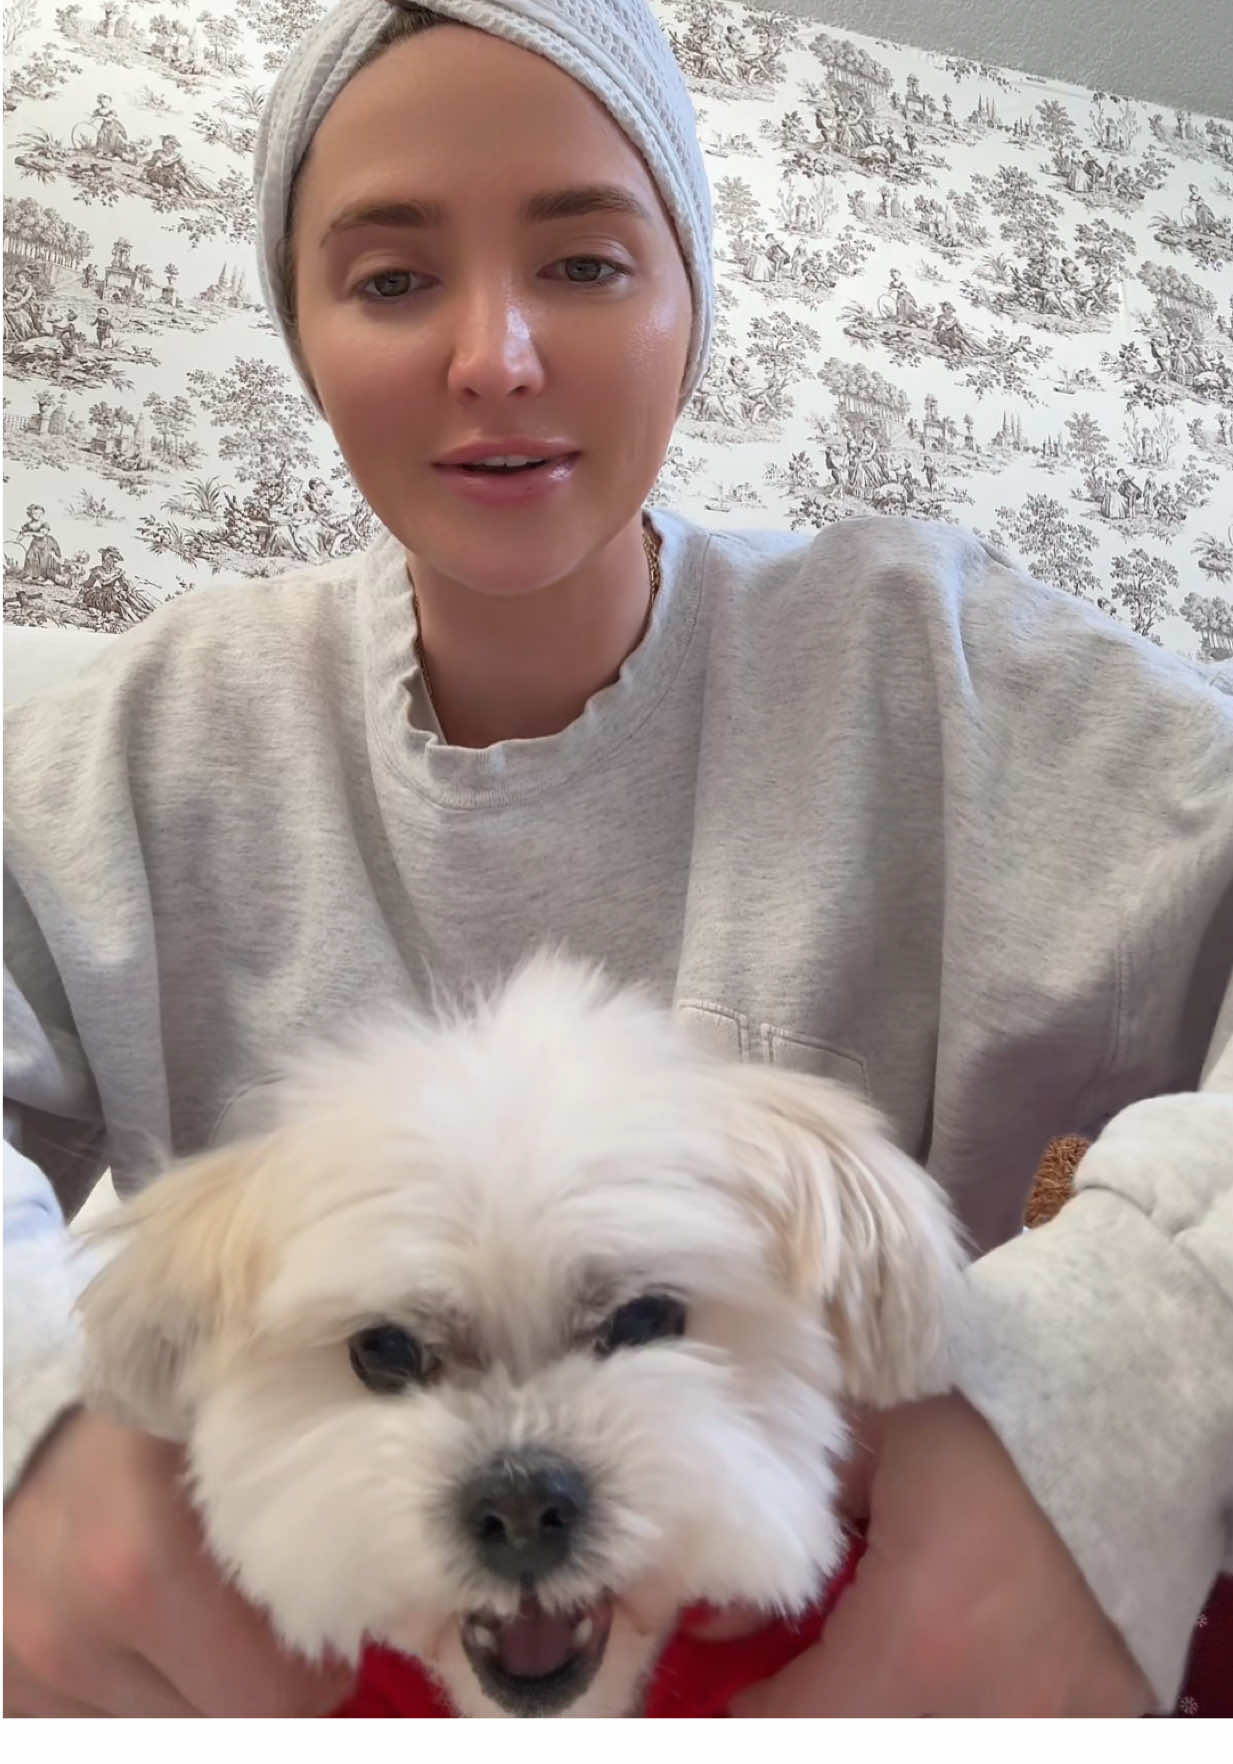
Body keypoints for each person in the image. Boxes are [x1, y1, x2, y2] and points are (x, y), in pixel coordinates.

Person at [3, 0, 1231, 1723]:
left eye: (583, 263)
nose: (494, 357)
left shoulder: (951, 673)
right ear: (300, 332)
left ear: (690, 299)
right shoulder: (127, 742)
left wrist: (1139, 1354)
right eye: (390, 278)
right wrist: (27, 1408)